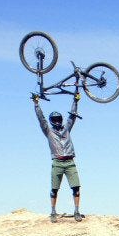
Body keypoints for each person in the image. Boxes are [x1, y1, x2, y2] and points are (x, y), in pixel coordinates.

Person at [33, 93, 83, 222]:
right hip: (57, 162)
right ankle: (53, 212)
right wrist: (36, 104)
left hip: (70, 162)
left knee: (76, 188)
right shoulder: (48, 131)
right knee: (54, 189)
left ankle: (76, 211)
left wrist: (75, 101)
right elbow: (41, 119)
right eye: (54, 119)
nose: (57, 121)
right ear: (51, 121)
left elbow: (72, 116)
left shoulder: (66, 129)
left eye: (58, 119)